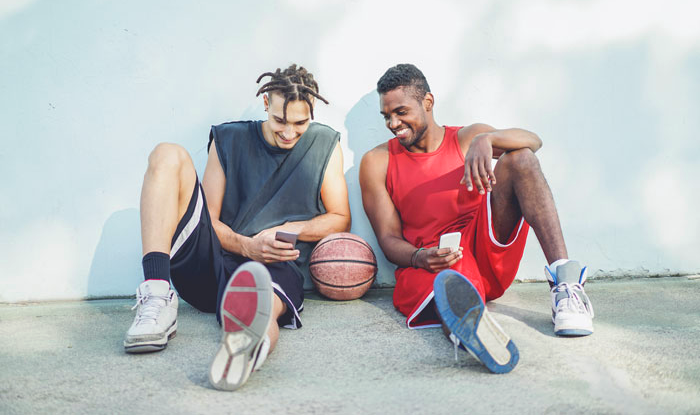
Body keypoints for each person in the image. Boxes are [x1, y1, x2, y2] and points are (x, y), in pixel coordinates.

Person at [123, 64, 351, 390]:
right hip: (213, 263)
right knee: (166, 154)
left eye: (300, 123)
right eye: (279, 121)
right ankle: (157, 294)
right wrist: (246, 245)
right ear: (266, 106)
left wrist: (289, 230)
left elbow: (340, 217)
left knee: (260, 307)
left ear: (311, 113)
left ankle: (244, 346)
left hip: (275, 265)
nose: (289, 132)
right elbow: (210, 219)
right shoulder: (229, 138)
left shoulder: (324, 144)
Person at [359, 64, 593, 374]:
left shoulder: (466, 138)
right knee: (449, 292)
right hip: (433, 262)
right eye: (386, 116)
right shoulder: (377, 161)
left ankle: (566, 287)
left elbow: (533, 141)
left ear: (427, 102)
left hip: (485, 253)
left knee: (521, 158)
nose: (393, 123)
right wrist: (420, 257)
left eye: (401, 112)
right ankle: (473, 331)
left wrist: (489, 139)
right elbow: (388, 241)